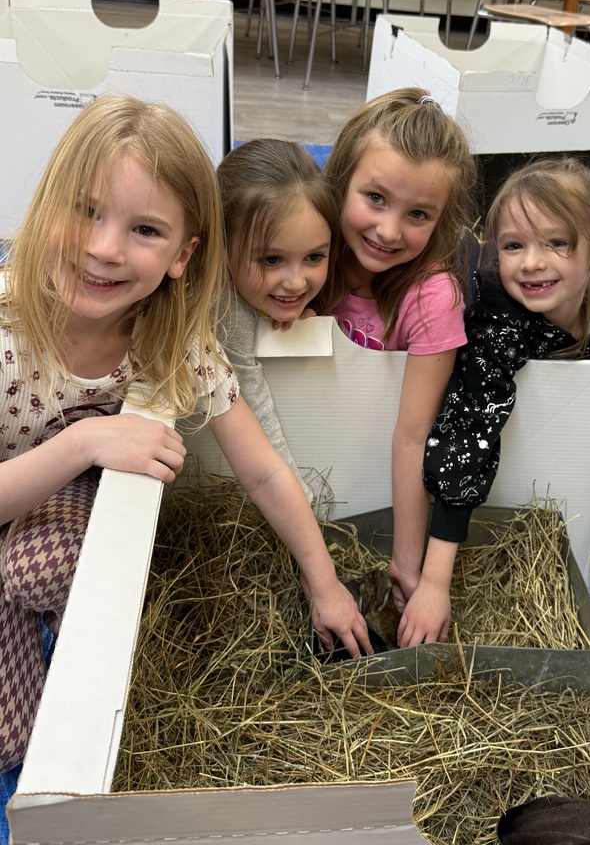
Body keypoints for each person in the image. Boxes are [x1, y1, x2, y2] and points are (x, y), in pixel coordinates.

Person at [0, 97, 371, 774]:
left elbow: (261, 470)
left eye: (144, 229)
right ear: (46, 202)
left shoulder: (172, 341)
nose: (104, 249)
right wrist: (87, 443)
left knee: (14, 728)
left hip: (37, 527)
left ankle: (33, 622)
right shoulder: (7, 326)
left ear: (184, 253)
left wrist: (324, 583)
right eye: (85, 211)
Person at [409, 157, 590, 647]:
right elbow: (467, 437)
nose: (532, 262)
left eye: (556, 243)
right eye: (514, 246)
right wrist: (433, 582)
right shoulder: (498, 327)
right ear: (495, 252)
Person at [321, 88, 478, 640]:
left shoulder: (433, 297)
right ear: (340, 182)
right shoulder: (307, 253)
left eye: (418, 215)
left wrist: (410, 568)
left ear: (442, 221)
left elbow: (413, 437)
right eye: (376, 198)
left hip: (366, 493)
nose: (389, 231)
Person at [217, 139, 336, 503]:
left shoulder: (252, 287)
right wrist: (300, 500)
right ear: (220, 247)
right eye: (271, 260)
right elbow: (250, 398)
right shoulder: (223, 307)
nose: (297, 282)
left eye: (314, 257)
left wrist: (278, 308)